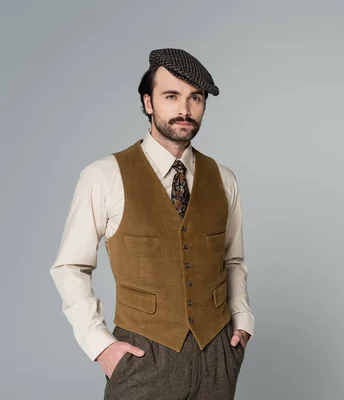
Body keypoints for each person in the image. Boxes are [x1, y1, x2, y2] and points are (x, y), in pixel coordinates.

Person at [50, 48, 254, 399]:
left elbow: (232, 261)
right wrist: (101, 346)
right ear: (148, 102)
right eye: (171, 96)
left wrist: (243, 322)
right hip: (144, 357)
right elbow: (69, 267)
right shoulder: (104, 176)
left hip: (217, 353)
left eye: (195, 98)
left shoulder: (224, 179)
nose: (184, 110)